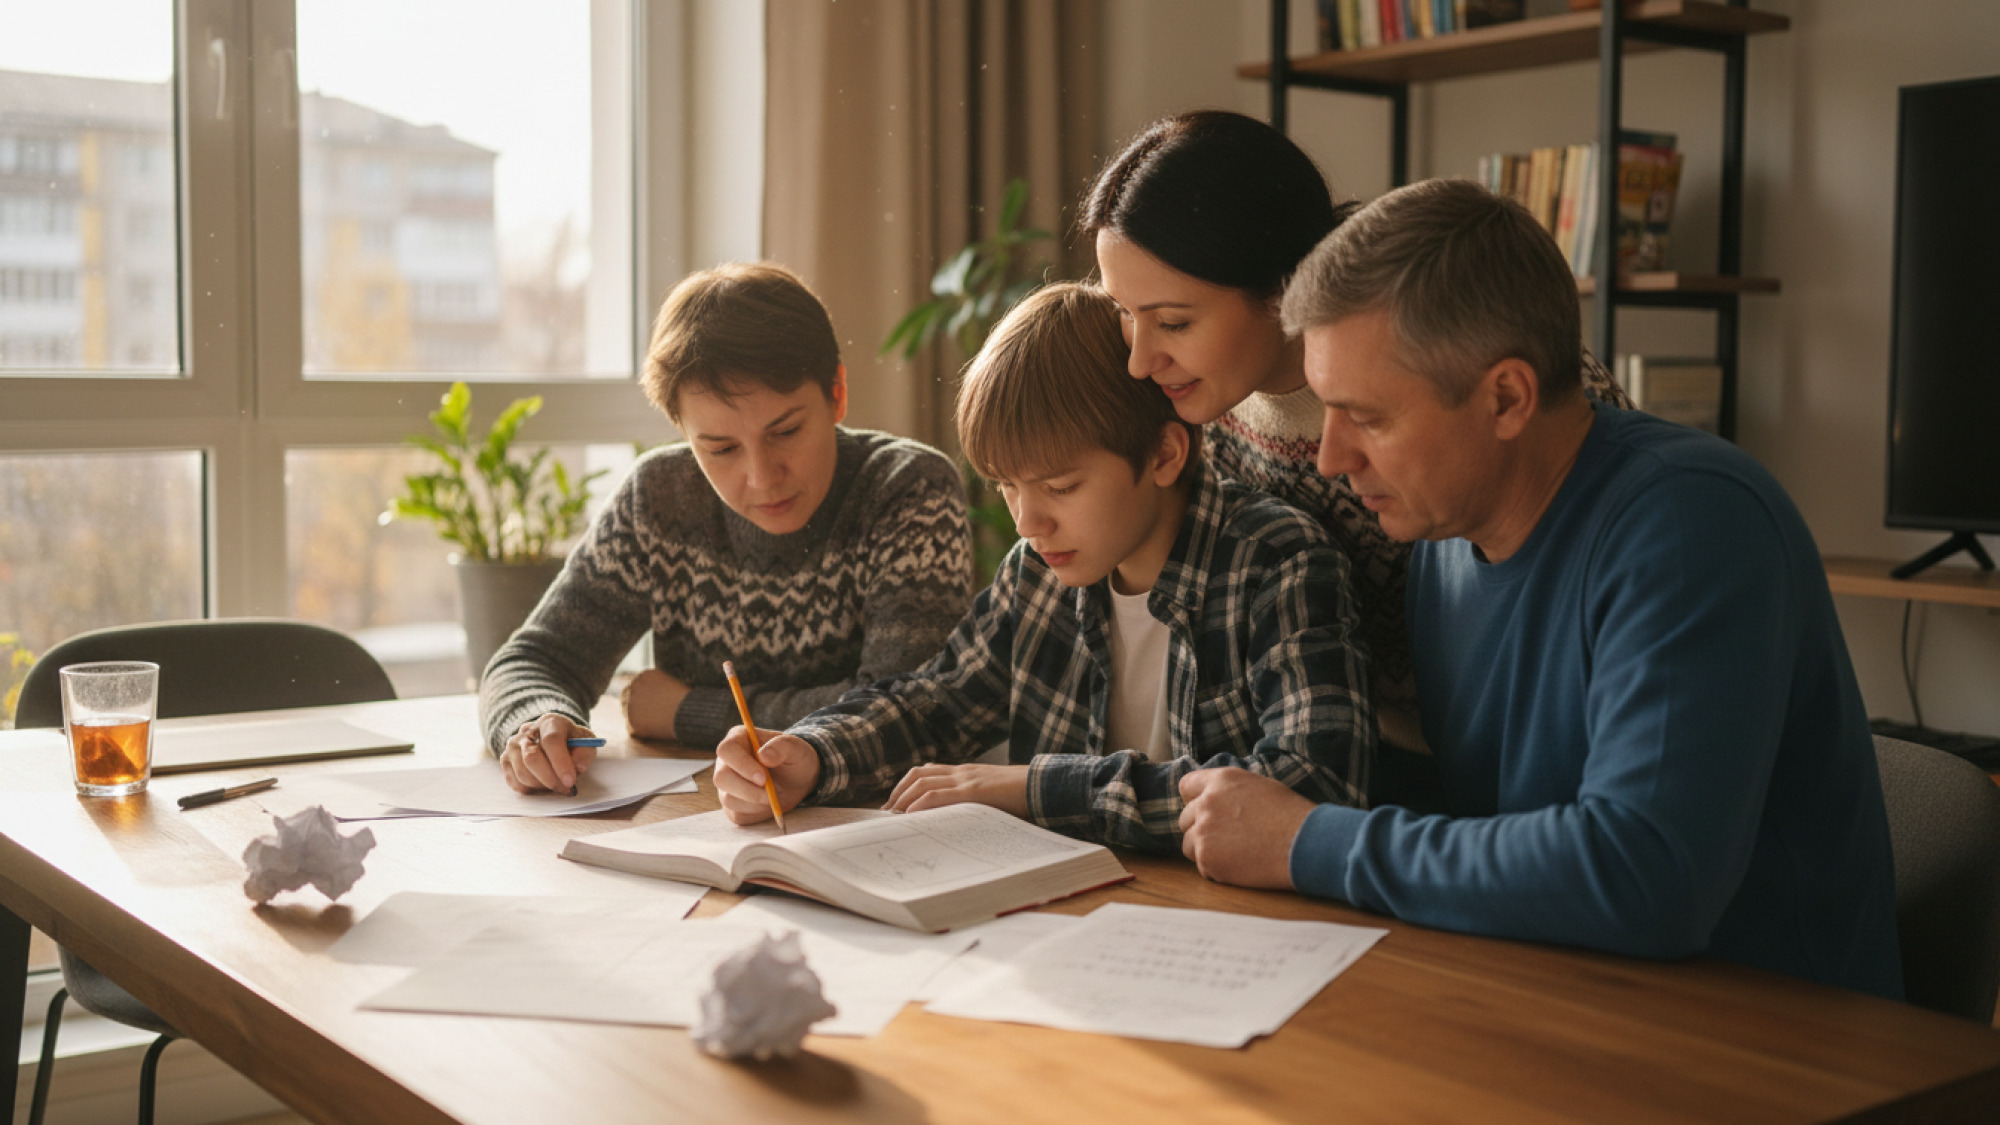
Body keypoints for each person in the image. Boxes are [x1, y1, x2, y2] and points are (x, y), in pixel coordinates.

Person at [1177, 178, 1903, 1000]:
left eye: (1367, 417)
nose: (1334, 457)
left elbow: (1648, 879)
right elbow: (1489, 827)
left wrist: (1309, 841)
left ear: (1508, 397)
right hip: (1567, 994)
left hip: (1780, 1046)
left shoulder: (1692, 523)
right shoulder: (1443, 542)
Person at [712, 282, 1373, 852]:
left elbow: (1310, 785)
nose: (1028, 522)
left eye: (1060, 486)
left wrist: (1035, 787)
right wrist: (810, 753)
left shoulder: (1277, 560)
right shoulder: (1039, 570)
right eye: (1007, 486)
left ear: (1166, 455)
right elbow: (936, 705)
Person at [1082, 110, 1633, 756]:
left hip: (1514, 760)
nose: (1139, 360)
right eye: (1124, 313)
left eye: (1173, 322)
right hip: (1339, 759)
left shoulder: (1449, 359)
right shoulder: (1190, 408)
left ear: (1281, 284)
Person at [482, 262, 975, 793]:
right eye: (719, 448)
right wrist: (537, 723)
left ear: (837, 393)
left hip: (873, 828)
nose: (761, 478)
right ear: (682, 431)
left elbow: (913, 711)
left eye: (785, 431)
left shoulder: (908, 490)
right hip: (699, 819)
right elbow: (534, 659)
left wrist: (687, 712)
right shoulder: (660, 496)